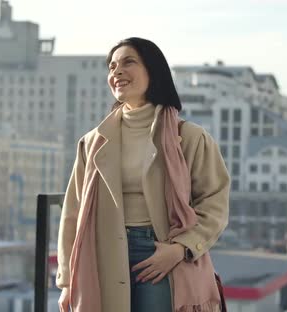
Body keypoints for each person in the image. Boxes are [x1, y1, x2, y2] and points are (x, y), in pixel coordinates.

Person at [56, 37, 230, 312]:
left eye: (128, 62)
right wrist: (67, 282)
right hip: (102, 257)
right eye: (112, 67)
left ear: (153, 71)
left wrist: (179, 249)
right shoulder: (93, 142)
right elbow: (72, 215)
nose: (117, 72)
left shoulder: (190, 137)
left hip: (163, 256)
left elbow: (214, 204)